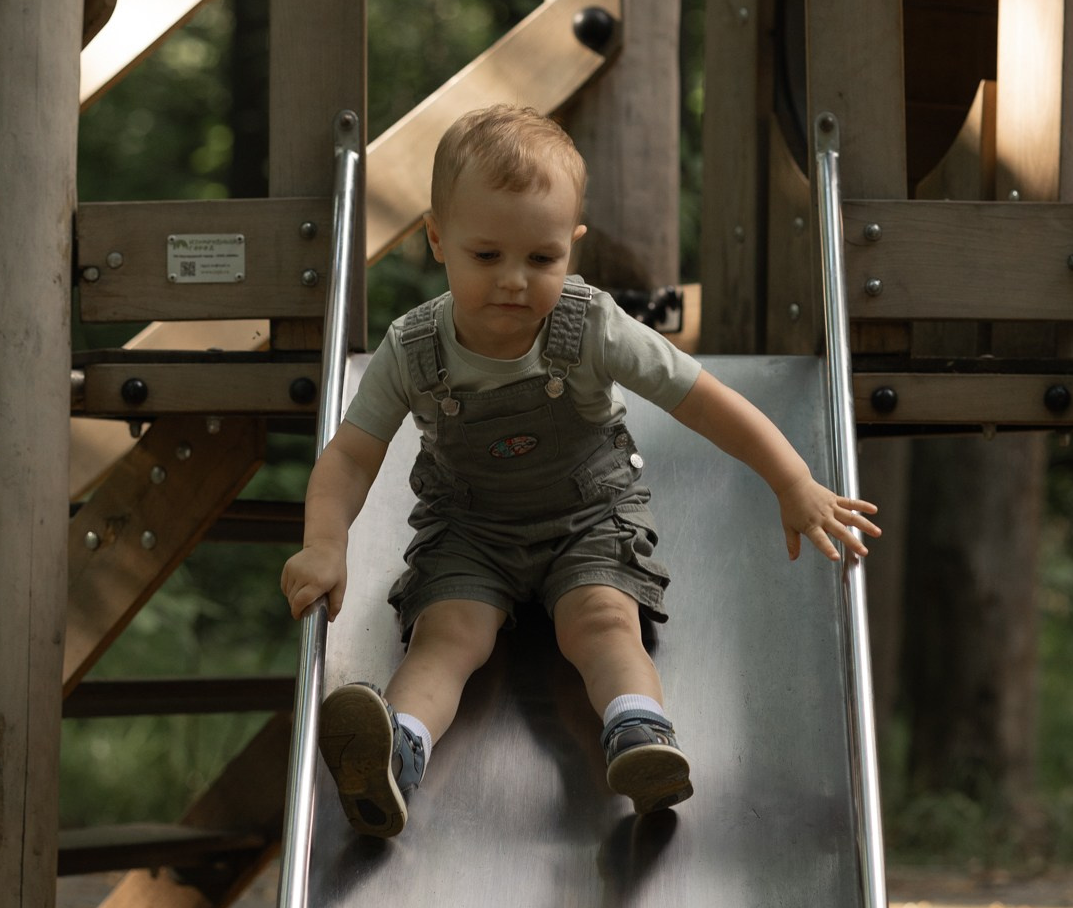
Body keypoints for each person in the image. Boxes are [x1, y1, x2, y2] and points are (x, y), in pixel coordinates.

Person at [281, 104, 880, 838]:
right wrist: (325, 542)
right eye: (485, 255)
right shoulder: (412, 350)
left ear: (572, 246)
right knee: (447, 635)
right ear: (437, 238)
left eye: (541, 258)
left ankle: (640, 735)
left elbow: (704, 402)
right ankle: (397, 752)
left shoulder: (591, 324)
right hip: (471, 529)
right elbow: (349, 455)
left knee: (600, 621)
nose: (513, 280)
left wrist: (792, 482)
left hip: (587, 520)